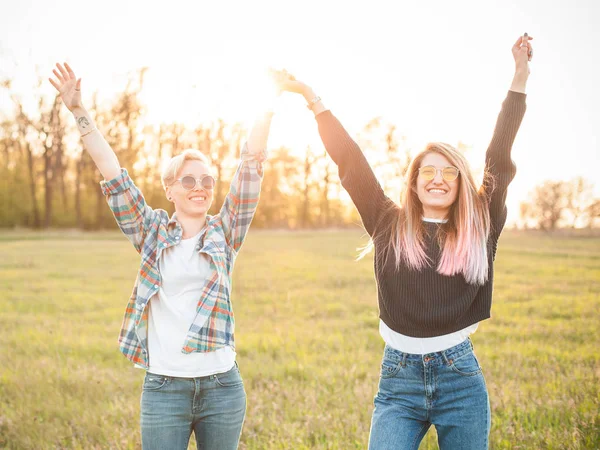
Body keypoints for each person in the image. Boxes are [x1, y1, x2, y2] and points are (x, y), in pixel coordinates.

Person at [273, 34, 533, 449]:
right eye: (428, 171)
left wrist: (519, 76)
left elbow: (499, 156)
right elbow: (350, 161)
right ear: (413, 182)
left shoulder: (480, 224)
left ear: (462, 183)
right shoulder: (387, 222)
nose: (438, 179)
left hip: (460, 380)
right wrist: (312, 98)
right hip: (398, 381)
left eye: (450, 172)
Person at [49, 62, 273, 450]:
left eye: (206, 180)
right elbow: (113, 174)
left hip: (222, 387)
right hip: (164, 388)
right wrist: (78, 111)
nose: (199, 187)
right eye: (188, 180)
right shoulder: (151, 231)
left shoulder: (225, 231)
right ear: (170, 189)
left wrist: (271, 99)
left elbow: (251, 165)